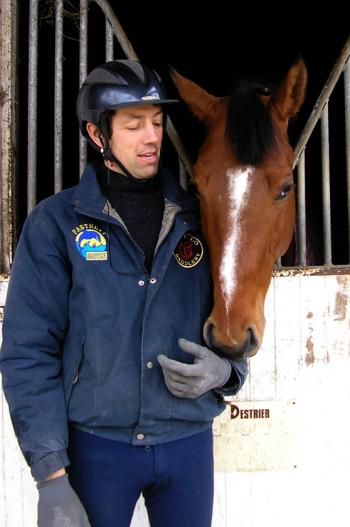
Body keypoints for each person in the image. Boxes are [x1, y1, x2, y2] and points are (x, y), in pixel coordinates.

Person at [0, 59, 248, 527]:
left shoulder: (200, 216)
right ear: (98, 135)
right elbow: (28, 351)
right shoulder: (57, 223)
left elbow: (239, 301)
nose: (152, 137)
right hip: (97, 448)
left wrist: (228, 370)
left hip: (187, 443)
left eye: (156, 122)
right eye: (134, 125)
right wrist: (50, 473)